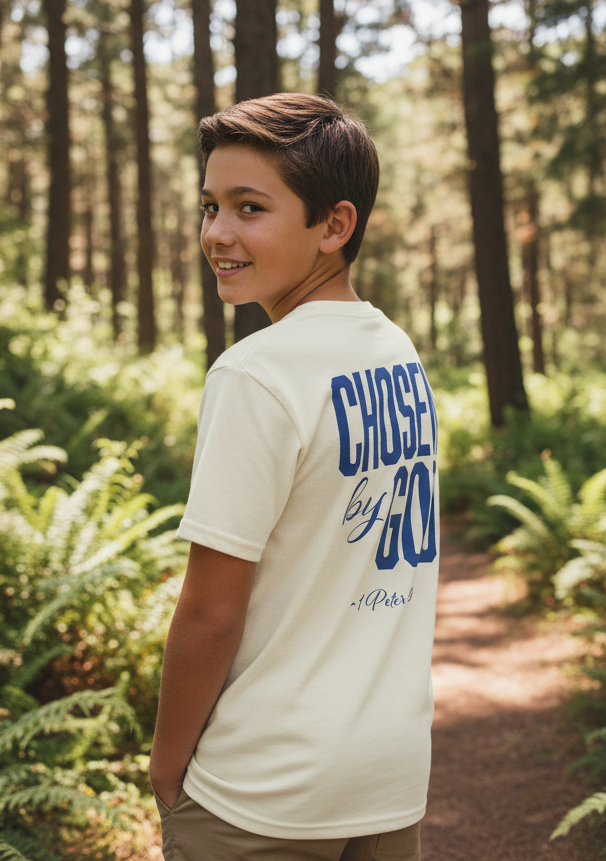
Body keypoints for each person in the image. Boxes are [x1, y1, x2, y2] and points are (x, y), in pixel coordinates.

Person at [149, 92, 439, 861]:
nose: (217, 233)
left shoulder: (256, 373)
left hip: (264, 787)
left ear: (334, 226)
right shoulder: (396, 353)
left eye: (250, 207)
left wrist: (167, 763)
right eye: (209, 205)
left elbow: (211, 609)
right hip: (387, 771)